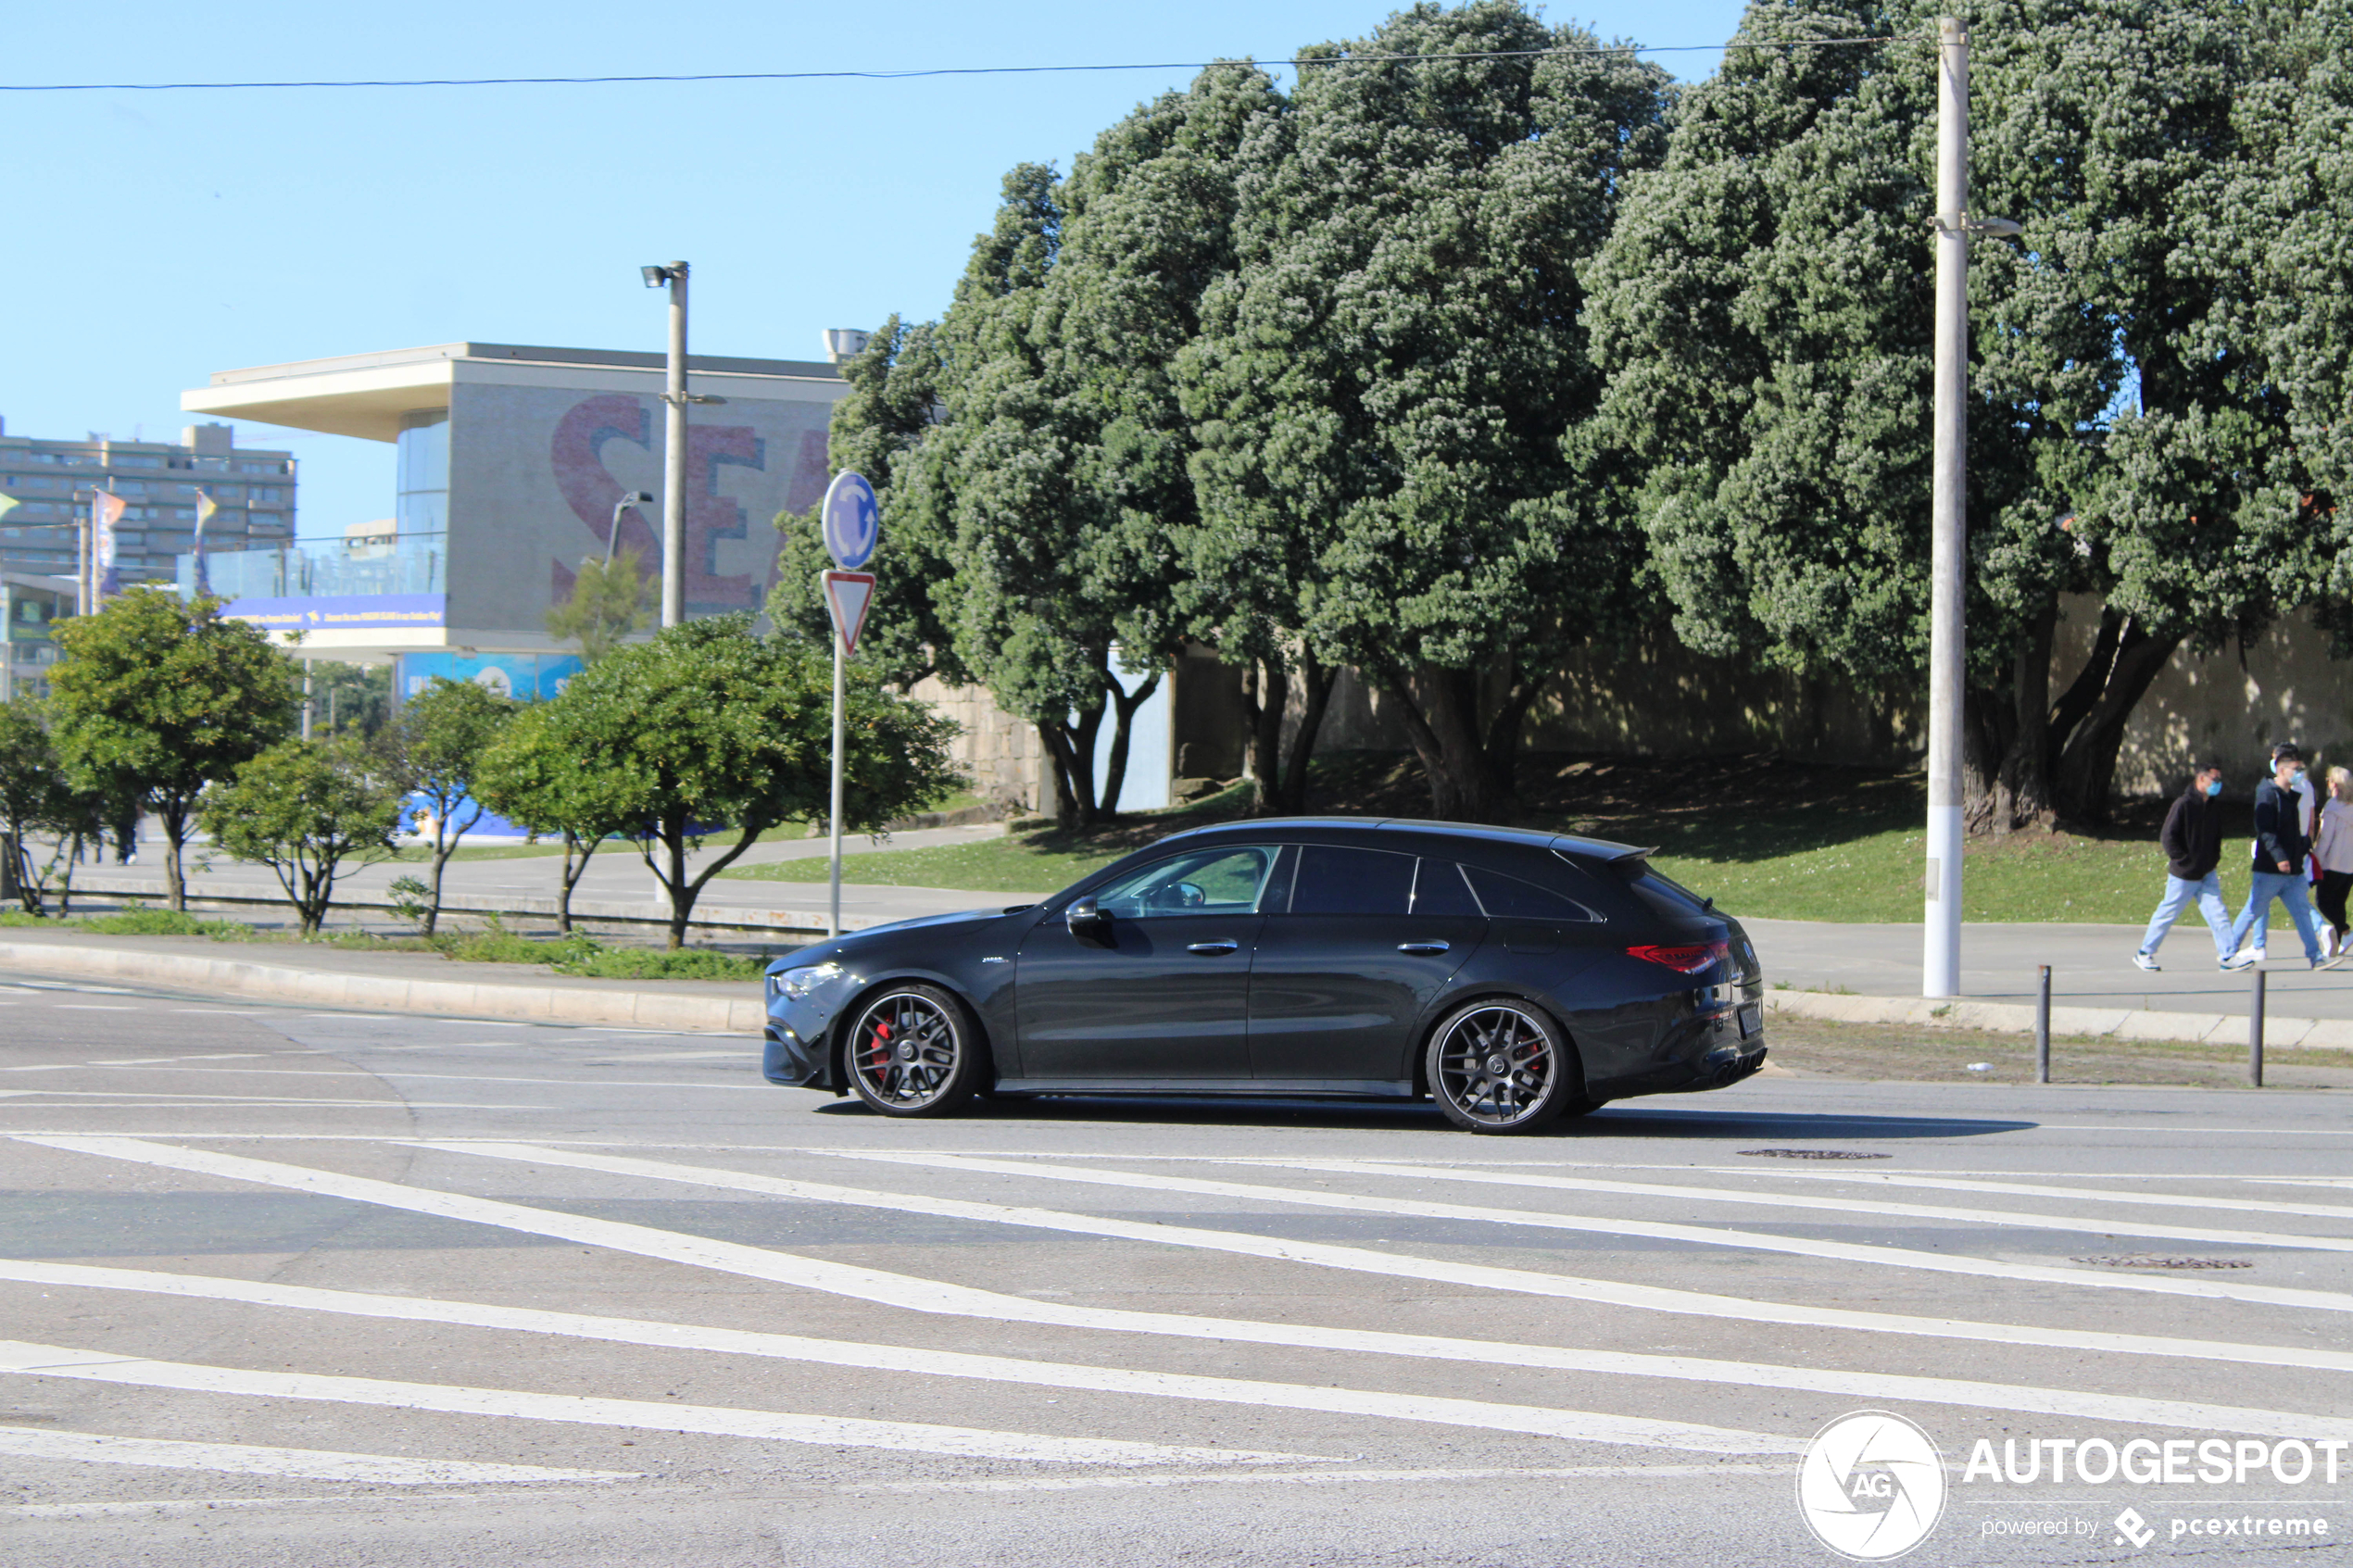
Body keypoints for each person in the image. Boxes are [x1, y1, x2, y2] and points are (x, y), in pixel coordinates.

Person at [2226, 744, 2329, 970]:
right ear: (2282, 770)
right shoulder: (2268, 794)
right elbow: (2266, 831)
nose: (2300, 772)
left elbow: (2293, 831)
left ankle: (2316, 958)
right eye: (2296, 768)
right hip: (2270, 870)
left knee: (2302, 912)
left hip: (2292, 871)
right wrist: (2280, 857)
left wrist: (2302, 848)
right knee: (2252, 910)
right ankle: (2227, 954)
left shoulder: (2291, 795)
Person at [2133, 762, 2233, 972]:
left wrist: (2213, 859)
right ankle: (2144, 953)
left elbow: (2217, 836)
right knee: (2168, 912)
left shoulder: (2213, 805)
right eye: (2215, 780)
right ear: (2201, 779)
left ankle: (2228, 956)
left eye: (2220, 780)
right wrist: (2183, 859)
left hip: (2207, 872)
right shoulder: (2184, 804)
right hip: (2184, 874)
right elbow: (2168, 836)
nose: (2218, 785)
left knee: (2218, 914)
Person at [2315, 767, 2353, 956]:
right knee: (2338, 902)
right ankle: (2339, 940)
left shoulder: (2333, 807)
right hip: (2350, 865)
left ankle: (2345, 930)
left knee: (2323, 902)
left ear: (2335, 784)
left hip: (2333, 863)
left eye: (2328, 780)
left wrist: (2317, 860)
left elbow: (2325, 839)